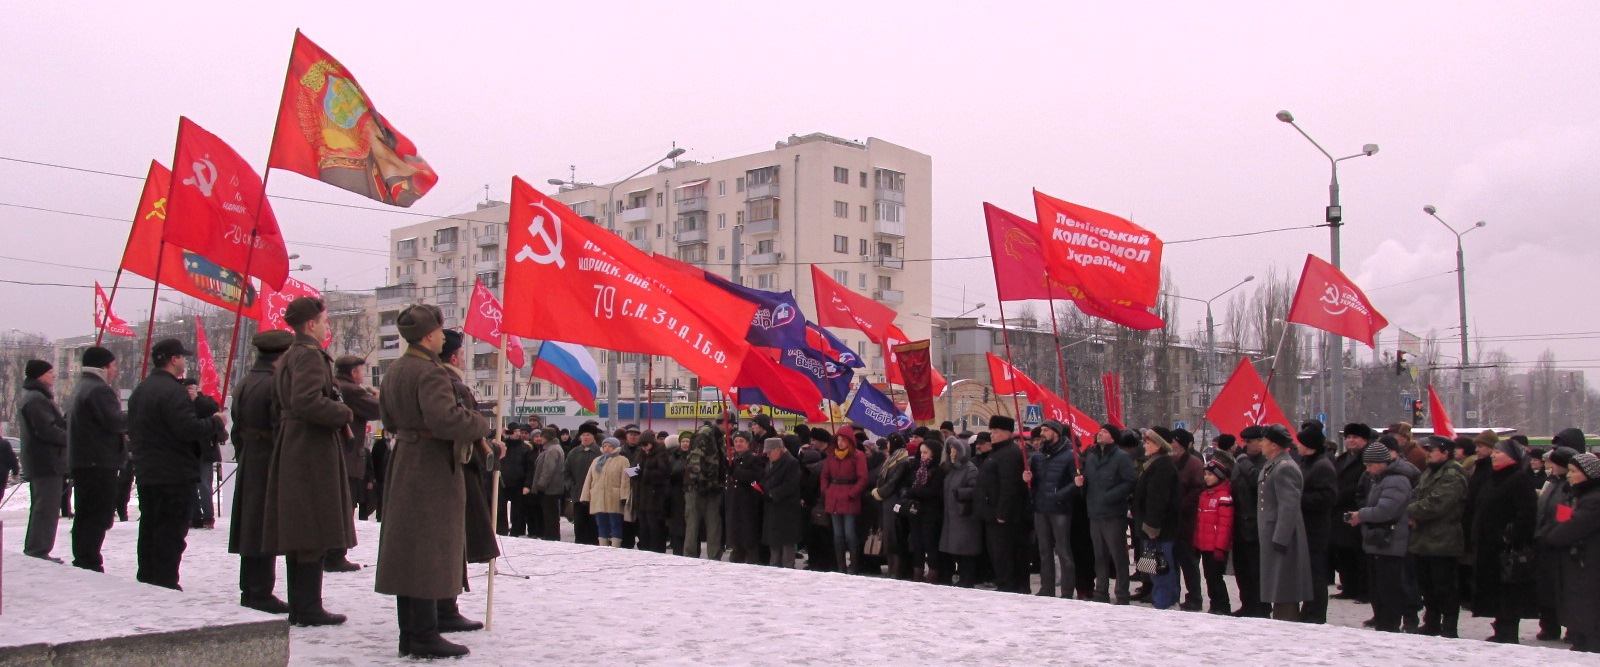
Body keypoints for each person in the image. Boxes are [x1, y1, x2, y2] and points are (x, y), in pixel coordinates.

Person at [375, 305, 491, 659]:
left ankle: (411, 633)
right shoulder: (431, 373)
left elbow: (389, 419)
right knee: (429, 548)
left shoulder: (395, 369)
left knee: (408, 548)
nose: (444, 337)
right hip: (431, 464)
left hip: (406, 458)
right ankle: (425, 634)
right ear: (429, 335)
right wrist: (479, 423)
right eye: (441, 331)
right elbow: (446, 420)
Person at [261, 297, 355, 626]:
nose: (327, 326)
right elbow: (306, 401)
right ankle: (308, 607)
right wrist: (342, 412)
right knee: (312, 527)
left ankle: (303, 606)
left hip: (294, 443)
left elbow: (279, 405)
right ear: (311, 324)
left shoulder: (289, 356)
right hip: (311, 448)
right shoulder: (310, 356)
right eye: (324, 321)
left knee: (300, 531)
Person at [127, 339, 226, 590]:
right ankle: (165, 579)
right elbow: (187, 429)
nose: (185, 361)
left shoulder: (142, 389)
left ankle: (148, 576)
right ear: (173, 359)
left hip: (148, 470)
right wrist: (216, 422)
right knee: (170, 530)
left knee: (150, 526)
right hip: (173, 472)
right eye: (182, 357)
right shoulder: (172, 391)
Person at [227, 331, 294, 614]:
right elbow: (281, 426)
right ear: (282, 355)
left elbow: (236, 427)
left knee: (251, 526)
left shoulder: (246, 381)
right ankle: (259, 591)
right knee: (262, 527)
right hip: (267, 458)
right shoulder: (274, 383)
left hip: (250, 455)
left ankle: (252, 588)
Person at [1471, 433, 1539, 643]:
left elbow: (1526, 514)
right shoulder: (1494, 477)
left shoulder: (1519, 479)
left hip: (1507, 548)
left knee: (1509, 590)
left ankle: (1508, 631)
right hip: (1489, 545)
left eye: (1498, 451)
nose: (1493, 455)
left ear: (1511, 456)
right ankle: (1500, 627)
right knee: (1496, 589)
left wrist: (1509, 536)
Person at [66, 347, 126, 573]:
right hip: (98, 461)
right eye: (113, 366)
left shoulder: (81, 386)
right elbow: (114, 422)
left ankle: (84, 555)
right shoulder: (99, 390)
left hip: (84, 460)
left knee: (85, 511)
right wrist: (132, 418)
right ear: (103, 367)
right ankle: (89, 559)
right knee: (96, 513)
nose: (115, 370)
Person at [1347, 442, 1415, 633]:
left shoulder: (1396, 481)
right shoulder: (1381, 479)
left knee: (1388, 590)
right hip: (1379, 542)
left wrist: (1361, 515)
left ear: (1381, 463)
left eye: (1370, 465)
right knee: (1379, 589)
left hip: (1390, 542)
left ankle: (1389, 626)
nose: (1367, 470)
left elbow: (1385, 510)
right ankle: (1383, 623)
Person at [1407, 435, 1467, 638]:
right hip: (1424, 539)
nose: (1427, 454)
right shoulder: (1430, 472)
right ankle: (1431, 622)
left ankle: (1449, 625)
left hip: (1443, 539)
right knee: (1427, 585)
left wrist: (1412, 511)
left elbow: (1438, 503)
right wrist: (1412, 511)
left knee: (1445, 586)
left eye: (1431, 450)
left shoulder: (1452, 473)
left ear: (1445, 452)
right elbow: (1416, 494)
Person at [1542, 452, 1600, 653]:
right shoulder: (1574, 495)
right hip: (1576, 562)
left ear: (1588, 474)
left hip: (1588, 563)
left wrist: (1552, 537)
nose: (1570, 475)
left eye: (1574, 471)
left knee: (1588, 610)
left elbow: (1572, 527)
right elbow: (1561, 521)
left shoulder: (1593, 499)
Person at [329, 354, 379, 572]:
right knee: (345, 506)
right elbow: (377, 409)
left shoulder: (336, 386)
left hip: (337, 456)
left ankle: (331, 552)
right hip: (349, 458)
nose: (362, 376)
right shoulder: (352, 390)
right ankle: (336, 554)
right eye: (360, 371)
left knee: (338, 505)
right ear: (353, 373)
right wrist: (375, 396)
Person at [1257, 424, 1312, 622]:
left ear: (1273, 445)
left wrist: (1280, 537)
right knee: (1277, 585)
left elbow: (1289, 507)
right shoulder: (1273, 465)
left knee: (1285, 586)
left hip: (1282, 537)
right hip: (1272, 533)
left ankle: (1287, 624)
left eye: (1264, 441)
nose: (1261, 444)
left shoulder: (1285, 468)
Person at [1079, 423, 1136, 604]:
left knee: (1118, 555)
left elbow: (1130, 482)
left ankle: (1122, 593)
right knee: (1099, 555)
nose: (1099, 434)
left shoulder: (1121, 457)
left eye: (1104, 432)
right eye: (1099, 431)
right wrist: (1081, 484)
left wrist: (1110, 496)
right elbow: (1088, 481)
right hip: (1094, 512)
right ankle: (1101, 591)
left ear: (1113, 437)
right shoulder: (1092, 456)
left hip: (1113, 513)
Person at [19, 358, 69, 563]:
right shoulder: (37, 399)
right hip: (46, 460)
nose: (54, 376)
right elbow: (46, 430)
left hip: (42, 460)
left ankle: (36, 548)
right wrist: (71, 437)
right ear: (39, 375)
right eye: (50, 373)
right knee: (46, 508)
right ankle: (38, 550)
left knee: (43, 506)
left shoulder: (33, 396)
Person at [1131, 428, 1181, 609]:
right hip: (1153, 526)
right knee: (1157, 566)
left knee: (1161, 566)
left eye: (1148, 442)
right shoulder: (1154, 463)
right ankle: (1167, 598)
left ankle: (1164, 601)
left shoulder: (1163, 466)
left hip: (1159, 528)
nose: (1145, 445)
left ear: (1159, 445)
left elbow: (1157, 499)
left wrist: (1152, 526)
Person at [1027, 419, 1077, 597]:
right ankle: (1046, 588)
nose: (1042, 434)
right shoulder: (1038, 457)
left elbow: (1076, 483)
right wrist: (1028, 479)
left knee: (1063, 551)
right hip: (1041, 508)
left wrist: (1059, 496)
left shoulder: (1070, 455)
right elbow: (1034, 482)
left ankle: (1066, 591)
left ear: (1056, 433)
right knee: (1044, 551)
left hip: (1060, 510)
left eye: (1046, 430)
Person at [1535, 442, 1579, 642]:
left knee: (1565, 588)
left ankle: (1572, 627)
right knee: (1546, 587)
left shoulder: (1570, 488)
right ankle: (1549, 626)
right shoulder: (1551, 482)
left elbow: (1565, 516)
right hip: (1545, 541)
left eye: (1553, 463)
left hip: (1560, 543)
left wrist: (1556, 533)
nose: (1549, 466)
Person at [977, 416, 1027, 593]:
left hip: (1003, 515)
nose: (992, 435)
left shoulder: (1010, 454)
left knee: (1004, 552)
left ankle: (1009, 585)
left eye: (996, 432)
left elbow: (1009, 485)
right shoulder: (997, 453)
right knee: (996, 553)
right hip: (991, 512)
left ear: (1007, 433)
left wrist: (1002, 512)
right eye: (992, 432)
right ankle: (1004, 583)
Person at [1296, 421, 1339, 624]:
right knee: (1307, 570)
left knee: (1315, 571)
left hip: (1316, 527)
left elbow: (1328, 497)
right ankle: (1308, 608)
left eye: (1301, 443)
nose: (1297, 446)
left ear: (1309, 445)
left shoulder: (1322, 465)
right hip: (1305, 524)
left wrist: (1299, 499)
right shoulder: (1306, 462)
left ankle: (1315, 612)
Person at [1331, 423, 1374, 602]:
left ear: (1364, 440)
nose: (1350, 441)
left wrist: (1339, 495)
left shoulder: (1368, 459)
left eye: (1355, 437)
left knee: (1359, 553)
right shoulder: (1341, 459)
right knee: (1343, 552)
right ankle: (1348, 587)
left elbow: (1361, 486)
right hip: (1339, 512)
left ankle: (1364, 590)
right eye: (1348, 437)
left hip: (1356, 509)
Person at [1229, 427, 1269, 617]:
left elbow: (1258, 482)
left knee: (1257, 569)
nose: (1245, 446)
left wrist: (1243, 461)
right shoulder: (1241, 463)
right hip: (1239, 522)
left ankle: (1261, 606)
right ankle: (1247, 603)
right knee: (1242, 568)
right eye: (1244, 442)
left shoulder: (1265, 463)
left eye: (1249, 442)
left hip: (1256, 523)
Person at [822, 425, 870, 574]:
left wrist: (853, 493)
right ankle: (840, 566)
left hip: (849, 497)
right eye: (838, 439)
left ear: (850, 441)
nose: (840, 442)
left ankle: (854, 565)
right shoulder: (832, 455)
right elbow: (824, 475)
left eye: (843, 440)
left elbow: (863, 478)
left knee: (850, 533)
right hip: (834, 496)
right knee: (838, 534)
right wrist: (826, 491)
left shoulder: (858, 455)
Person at [1168, 427, 1206, 610]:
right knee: (1172, 560)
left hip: (1187, 520)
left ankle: (1194, 597)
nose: (1171, 444)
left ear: (1181, 444)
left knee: (1188, 562)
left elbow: (1198, 489)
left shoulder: (1194, 463)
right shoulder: (1170, 461)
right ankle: (1173, 593)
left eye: (1173, 441)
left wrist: (1181, 505)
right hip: (1171, 520)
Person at [685, 414, 732, 559]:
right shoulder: (705, 433)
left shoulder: (720, 438)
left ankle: (714, 556)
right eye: (731, 424)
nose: (732, 428)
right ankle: (690, 556)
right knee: (693, 524)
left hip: (714, 487)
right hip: (697, 488)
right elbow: (695, 459)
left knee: (714, 525)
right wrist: (699, 481)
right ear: (723, 423)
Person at [940, 437, 983, 587]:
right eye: (950, 450)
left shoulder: (970, 469)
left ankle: (967, 580)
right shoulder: (952, 469)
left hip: (964, 516)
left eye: (955, 450)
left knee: (966, 550)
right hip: (952, 517)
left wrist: (960, 493)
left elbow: (976, 490)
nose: (952, 454)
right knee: (956, 549)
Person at [872, 433, 917, 578]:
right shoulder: (891, 460)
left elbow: (893, 483)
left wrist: (879, 492)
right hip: (887, 502)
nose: (887, 446)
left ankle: (896, 571)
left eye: (889, 443)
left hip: (894, 502)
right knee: (888, 538)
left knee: (894, 538)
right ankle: (891, 568)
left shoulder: (902, 462)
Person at [1194, 458, 1235, 614]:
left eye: (1210, 474)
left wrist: (1220, 546)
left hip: (1216, 547)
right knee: (1209, 577)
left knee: (1215, 577)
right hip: (1205, 545)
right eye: (1205, 474)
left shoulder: (1224, 496)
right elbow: (1200, 523)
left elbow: (1225, 525)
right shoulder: (1204, 495)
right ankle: (1214, 604)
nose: (1206, 477)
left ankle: (1223, 605)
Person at [181, 379, 222, 531]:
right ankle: (194, 516)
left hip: (205, 450)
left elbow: (213, 408)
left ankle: (208, 516)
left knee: (204, 484)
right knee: (190, 486)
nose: (189, 391)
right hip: (188, 450)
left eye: (191, 388)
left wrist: (196, 399)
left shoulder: (204, 403)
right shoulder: (181, 405)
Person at [904, 437, 946, 583]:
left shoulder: (938, 471)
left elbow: (932, 492)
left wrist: (912, 492)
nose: (922, 456)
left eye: (925, 453)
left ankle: (933, 574)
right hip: (916, 511)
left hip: (931, 513)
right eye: (921, 452)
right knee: (917, 543)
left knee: (930, 543)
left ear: (933, 454)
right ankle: (917, 572)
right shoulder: (917, 468)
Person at [760, 437, 804, 568]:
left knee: (787, 543)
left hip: (786, 509)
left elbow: (790, 485)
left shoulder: (791, 463)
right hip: (772, 508)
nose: (767, 455)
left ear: (778, 449)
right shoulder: (770, 463)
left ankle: (788, 569)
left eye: (769, 452)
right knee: (774, 542)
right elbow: (766, 479)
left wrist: (773, 494)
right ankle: (774, 567)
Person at [579, 437, 631, 546]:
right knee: (601, 523)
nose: (607, 448)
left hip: (614, 498)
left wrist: (624, 496)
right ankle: (603, 545)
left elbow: (625, 480)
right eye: (605, 446)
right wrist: (585, 497)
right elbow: (589, 479)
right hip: (598, 497)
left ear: (616, 447)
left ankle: (615, 546)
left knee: (615, 523)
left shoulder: (622, 460)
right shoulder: (597, 460)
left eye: (610, 446)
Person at [725, 431, 767, 564]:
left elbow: (755, 478)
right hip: (734, 501)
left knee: (748, 534)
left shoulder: (754, 459)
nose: (738, 444)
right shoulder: (734, 459)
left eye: (741, 441)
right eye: (736, 441)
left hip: (748, 501)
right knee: (736, 532)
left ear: (748, 443)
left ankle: (751, 560)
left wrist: (737, 473)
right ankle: (737, 555)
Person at [634, 432, 672, 552]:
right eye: (641, 445)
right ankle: (645, 549)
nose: (643, 447)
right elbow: (635, 468)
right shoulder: (641, 454)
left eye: (645, 444)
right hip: (641, 496)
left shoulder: (661, 454)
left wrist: (645, 473)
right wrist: (634, 472)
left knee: (654, 527)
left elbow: (664, 473)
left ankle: (656, 551)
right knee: (643, 527)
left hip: (655, 497)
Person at [565, 424, 603, 545]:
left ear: (594, 437)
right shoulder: (574, 453)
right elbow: (566, 472)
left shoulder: (599, 452)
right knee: (579, 524)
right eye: (583, 435)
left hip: (595, 496)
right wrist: (571, 485)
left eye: (588, 435)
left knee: (593, 525)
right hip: (578, 495)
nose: (585, 437)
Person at [530, 426, 568, 542]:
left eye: (542, 435)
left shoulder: (552, 450)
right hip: (552, 488)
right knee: (551, 515)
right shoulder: (552, 448)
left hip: (550, 489)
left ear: (547, 437)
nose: (540, 438)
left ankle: (552, 537)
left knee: (550, 516)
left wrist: (540, 485)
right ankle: (551, 536)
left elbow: (548, 470)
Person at [499, 425, 533, 537]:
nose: (517, 433)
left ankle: (516, 531)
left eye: (518, 431)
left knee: (517, 510)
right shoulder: (503, 445)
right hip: (503, 481)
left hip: (519, 483)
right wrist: (501, 435)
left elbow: (529, 468)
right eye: (514, 431)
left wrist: (527, 485)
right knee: (500, 508)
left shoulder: (525, 448)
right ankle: (501, 531)